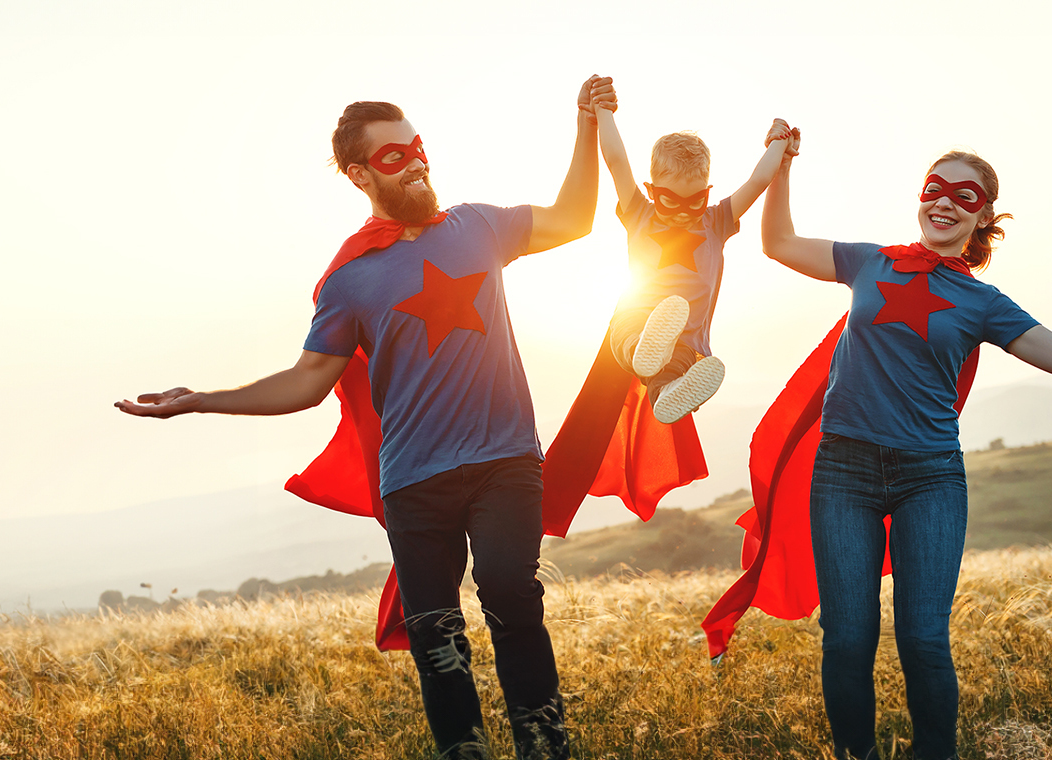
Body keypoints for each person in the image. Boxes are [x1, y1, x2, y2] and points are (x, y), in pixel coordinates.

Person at [114, 77, 614, 760]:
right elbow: (308, 379)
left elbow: (576, 217)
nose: (415, 162)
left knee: (509, 595)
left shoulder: (480, 226)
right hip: (413, 481)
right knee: (436, 636)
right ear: (358, 175)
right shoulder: (351, 277)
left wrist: (585, 124)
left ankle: (545, 748)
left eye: (417, 147)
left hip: (505, 462)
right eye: (392, 157)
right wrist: (201, 398)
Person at [744, 134, 1052, 760]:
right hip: (842, 472)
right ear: (920, 199)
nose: (944, 203)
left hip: (928, 477)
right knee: (847, 637)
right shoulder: (869, 261)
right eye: (935, 189)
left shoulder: (983, 303)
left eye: (964, 196)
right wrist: (782, 167)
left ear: (983, 216)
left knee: (924, 639)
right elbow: (777, 243)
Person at [591, 91, 794, 423]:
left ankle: (668, 391)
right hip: (634, 316)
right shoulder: (639, 213)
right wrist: (604, 111)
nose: (684, 213)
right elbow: (616, 160)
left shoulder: (715, 222)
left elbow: (758, 180)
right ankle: (642, 350)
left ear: (707, 192)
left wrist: (777, 139)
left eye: (695, 201)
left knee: (675, 366)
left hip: (684, 336)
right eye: (671, 202)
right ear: (652, 190)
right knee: (630, 338)